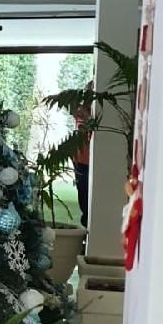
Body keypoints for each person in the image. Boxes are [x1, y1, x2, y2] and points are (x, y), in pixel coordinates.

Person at [73, 80, 93, 227]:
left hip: (86, 160)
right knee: (84, 194)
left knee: (86, 193)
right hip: (82, 160)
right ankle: (87, 222)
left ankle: (87, 222)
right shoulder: (81, 111)